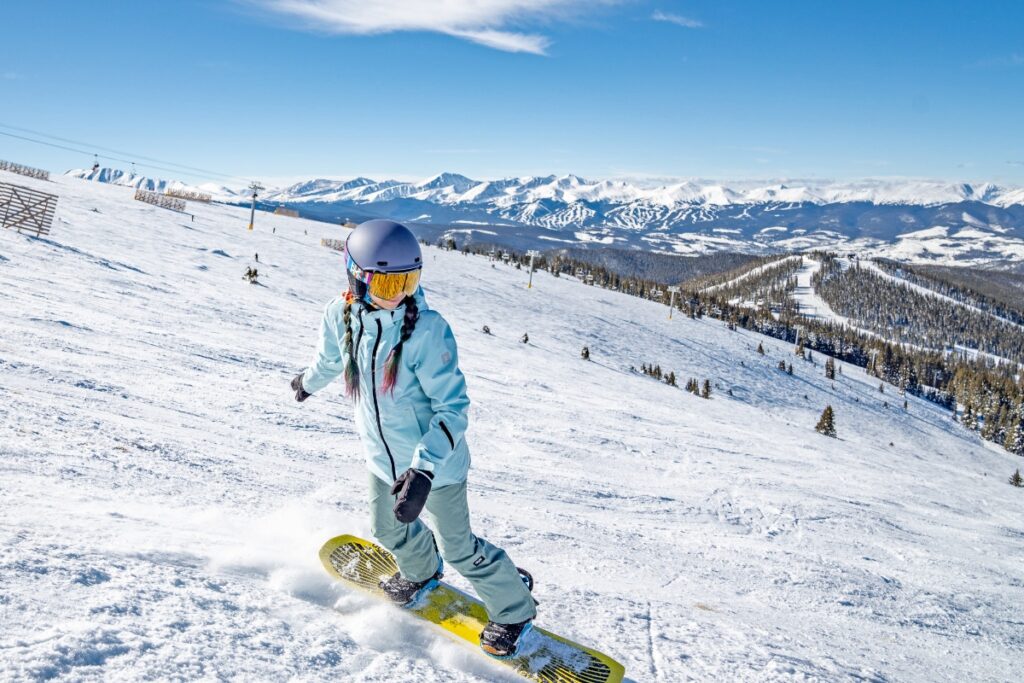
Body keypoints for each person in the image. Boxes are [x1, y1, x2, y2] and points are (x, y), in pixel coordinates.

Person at [290, 219, 536, 657]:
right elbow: (331, 359)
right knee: (386, 527)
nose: (397, 292)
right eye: (386, 282)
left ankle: (514, 607)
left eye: (408, 280)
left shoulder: (427, 330)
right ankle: (421, 569)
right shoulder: (340, 312)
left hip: (435, 467)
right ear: (356, 276)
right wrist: (308, 382)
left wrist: (422, 470)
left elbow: (452, 408)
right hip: (382, 460)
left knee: (460, 548)